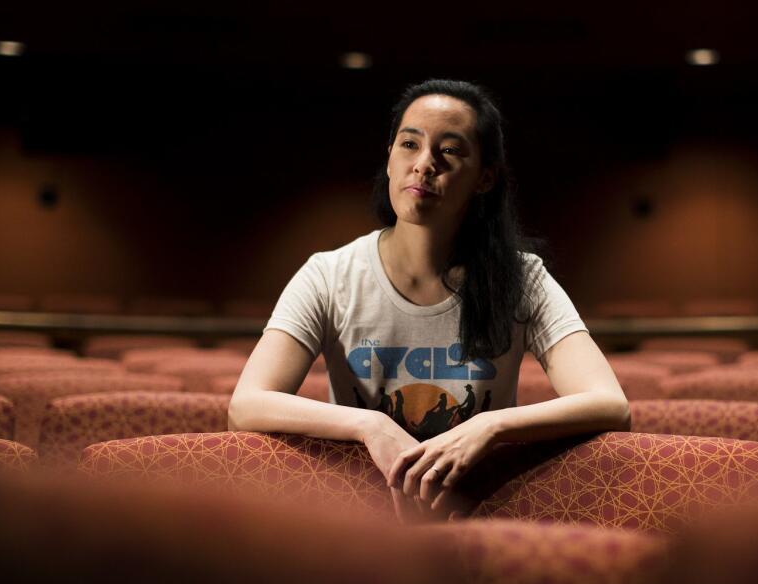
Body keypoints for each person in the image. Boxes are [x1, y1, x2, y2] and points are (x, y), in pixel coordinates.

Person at [228, 78, 629, 522]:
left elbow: (609, 403)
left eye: (450, 151)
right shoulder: (329, 274)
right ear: (389, 157)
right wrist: (370, 424)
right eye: (409, 144)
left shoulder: (522, 278)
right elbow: (247, 404)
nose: (423, 165)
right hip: (361, 516)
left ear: (485, 178)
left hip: (479, 513)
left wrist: (490, 426)